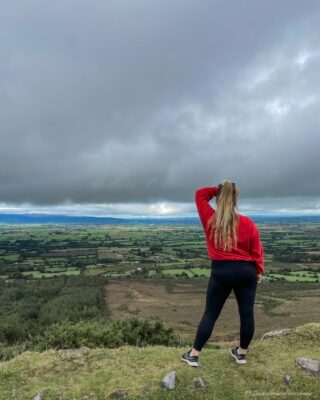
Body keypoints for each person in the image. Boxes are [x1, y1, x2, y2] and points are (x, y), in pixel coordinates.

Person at [181, 180, 264, 367]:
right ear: (235, 200)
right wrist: (258, 270)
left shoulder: (210, 219)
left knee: (211, 313)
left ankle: (193, 355)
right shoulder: (248, 222)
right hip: (246, 271)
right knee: (247, 314)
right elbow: (256, 250)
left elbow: (200, 194)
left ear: (219, 200)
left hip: (222, 271)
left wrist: (220, 189)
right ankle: (241, 354)